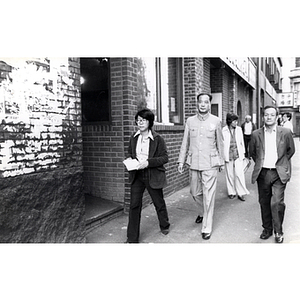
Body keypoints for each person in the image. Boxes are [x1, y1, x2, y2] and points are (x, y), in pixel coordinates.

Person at [177, 92, 224, 240]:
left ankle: (206, 226)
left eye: (206, 102)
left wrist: (221, 161)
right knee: (195, 192)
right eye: (200, 102)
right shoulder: (190, 121)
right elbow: (185, 142)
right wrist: (181, 160)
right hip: (194, 163)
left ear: (210, 104)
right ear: (197, 104)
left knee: (209, 196)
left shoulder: (216, 121)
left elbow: (220, 143)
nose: (203, 104)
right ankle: (203, 211)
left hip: (210, 164)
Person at [249, 105, 295, 243]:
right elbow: (252, 153)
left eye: (272, 115)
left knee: (276, 203)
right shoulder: (256, 134)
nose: (269, 117)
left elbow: (290, 151)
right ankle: (267, 229)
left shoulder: (285, 132)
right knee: (264, 202)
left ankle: (278, 230)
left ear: (277, 117)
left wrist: (281, 164)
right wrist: (262, 163)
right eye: (266, 115)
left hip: (278, 173)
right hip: (262, 173)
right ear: (263, 117)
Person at [125, 108, 170, 243]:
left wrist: (148, 163)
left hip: (152, 175)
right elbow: (129, 153)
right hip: (137, 175)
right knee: (134, 205)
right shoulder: (134, 138)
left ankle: (164, 225)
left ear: (149, 122)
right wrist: (130, 161)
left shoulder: (157, 139)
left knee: (158, 203)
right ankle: (132, 238)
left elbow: (165, 158)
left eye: (143, 120)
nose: (140, 123)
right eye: (138, 120)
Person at [222, 113, 249, 201]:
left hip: (238, 154)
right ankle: (231, 192)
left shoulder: (239, 129)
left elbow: (242, 142)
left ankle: (241, 193)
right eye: (234, 121)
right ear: (229, 121)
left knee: (239, 174)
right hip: (228, 155)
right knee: (229, 174)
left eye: (237, 121)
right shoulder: (224, 130)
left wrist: (244, 154)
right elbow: (222, 144)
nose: (236, 123)